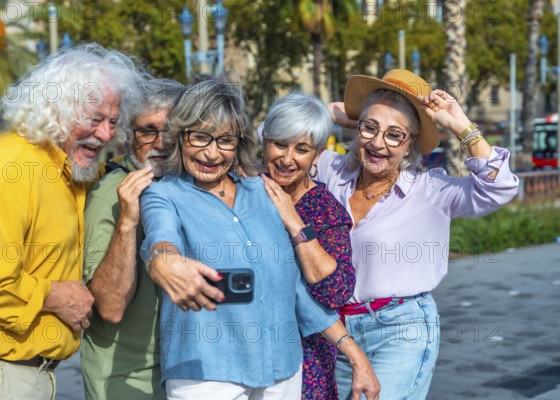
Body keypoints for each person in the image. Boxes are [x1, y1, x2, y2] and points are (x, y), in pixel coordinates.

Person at [139, 76, 377, 400]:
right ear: (180, 136)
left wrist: (354, 352)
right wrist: (163, 259)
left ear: (239, 143)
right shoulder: (164, 195)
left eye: (224, 140)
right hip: (207, 374)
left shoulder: (263, 192)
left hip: (283, 371)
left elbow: (292, 287)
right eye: (200, 137)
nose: (211, 153)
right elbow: (160, 236)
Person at [317, 69, 519, 400]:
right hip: (336, 332)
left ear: (410, 143)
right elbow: (274, 137)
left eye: (395, 134)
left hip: (400, 328)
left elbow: (500, 187)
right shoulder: (333, 171)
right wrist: (331, 114)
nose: (379, 143)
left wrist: (461, 126)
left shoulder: (431, 190)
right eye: (371, 127)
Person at [0, 43, 146, 399]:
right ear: (56, 109)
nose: (106, 135)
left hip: (26, 375)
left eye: (112, 122)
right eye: (94, 119)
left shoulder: (65, 169)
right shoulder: (11, 166)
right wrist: (52, 296)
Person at [259, 92, 379, 400]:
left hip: (306, 358)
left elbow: (335, 292)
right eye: (280, 144)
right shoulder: (246, 192)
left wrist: (294, 221)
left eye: (301, 149)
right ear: (265, 142)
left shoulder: (325, 210)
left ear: (317, 155)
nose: (287, 159)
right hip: (246, 348)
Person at [81, 79, 184, 400]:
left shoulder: (188, 185)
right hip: (127, 379)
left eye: (170, 130)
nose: (160, 142)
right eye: (146, 131)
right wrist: (128, 224)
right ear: (128, 136)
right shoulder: (111, 194)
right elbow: (109, 308)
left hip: (185, 374)